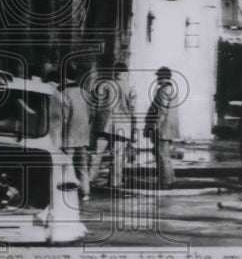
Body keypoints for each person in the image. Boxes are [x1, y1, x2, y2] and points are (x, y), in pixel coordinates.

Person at [88, 62, 136, 191]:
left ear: (115, 73)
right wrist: (133, 128)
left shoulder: (105, 85)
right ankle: (115, 182)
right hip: (122, 125)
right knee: (118, 155)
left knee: (97, 153)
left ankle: (89, 179)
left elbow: (95, 103)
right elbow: (132, 109)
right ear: (126, 74)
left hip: (104, 125)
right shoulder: (130, 89)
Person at [144, 66, 181, 188]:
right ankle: (170, 179)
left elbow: (161, 110)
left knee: (162, 155)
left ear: (162, 77)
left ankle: (165, 182)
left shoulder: (163, 90)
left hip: (162, 127)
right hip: (169, 128)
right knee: (165, 154)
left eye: (158, 76)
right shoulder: (172, 89)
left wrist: (154, 127)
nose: (157, 79)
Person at [60, 65, 92, 202]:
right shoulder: (85, 93)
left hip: (69, 136)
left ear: (65, 78)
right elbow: (91, 114)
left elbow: (63, 117)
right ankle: (85, 192)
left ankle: (67, 192)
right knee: (82, 167)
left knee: (67, 164)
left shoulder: (64, 93)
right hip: (83, 135)